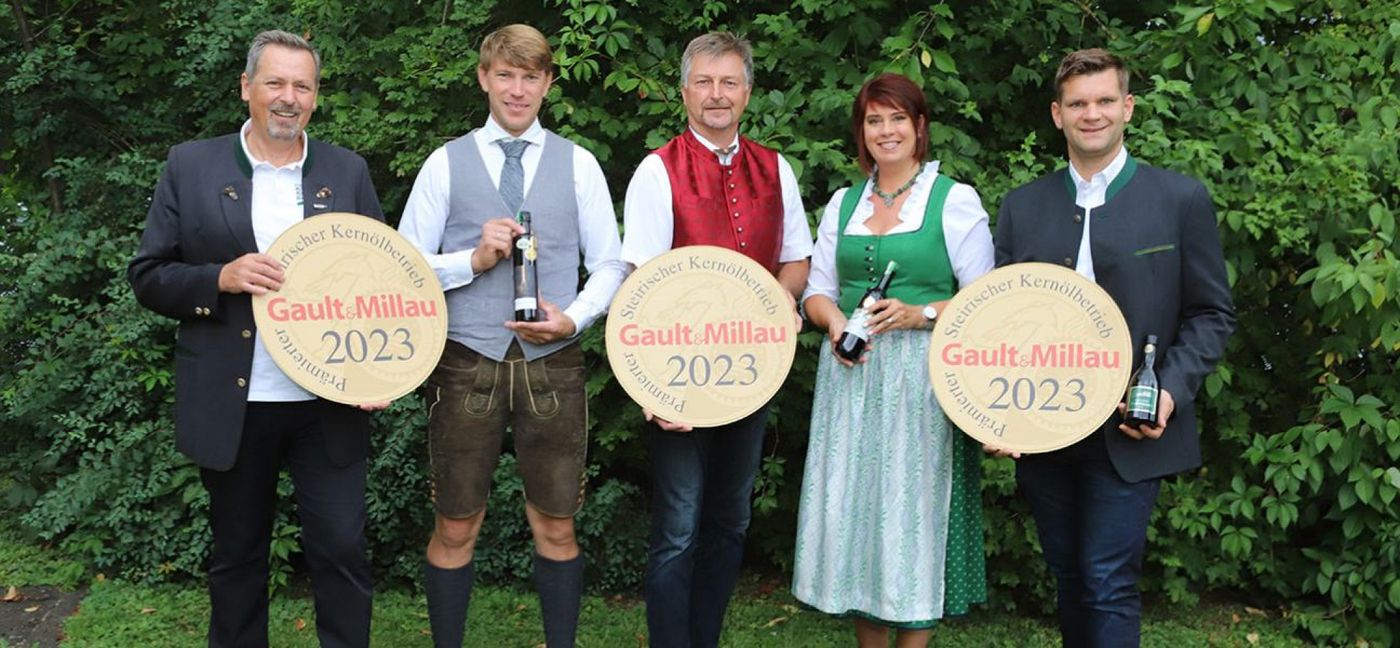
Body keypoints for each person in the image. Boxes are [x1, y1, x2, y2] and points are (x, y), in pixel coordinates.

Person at [128, 30, 385, 648]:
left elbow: (379, 278)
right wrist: (220, 276)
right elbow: (148, 275)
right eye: (275, 82)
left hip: (328, 401)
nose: (287, 97)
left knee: (343, 549)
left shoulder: (345, 171)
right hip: (234, 400)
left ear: (316, 97)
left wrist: (380, 370)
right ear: (246, 87)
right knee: (238, 557)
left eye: (302, 85)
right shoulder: (191, 165)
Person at [992, 48, 1235, 647]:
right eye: (1078, 104)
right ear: (1057, 114)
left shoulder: (1180, 199)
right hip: (1044, 426)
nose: (1091, 114)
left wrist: (1170, 393)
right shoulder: (1022, 205)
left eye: (1104, 101)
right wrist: (993, 409)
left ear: (1127, 107)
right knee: (1069, 575)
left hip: (1131, 428)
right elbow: (996, 321)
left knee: (1107, 580)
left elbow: (1211, 313)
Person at [396, 23, 627, 648]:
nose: (517, 90)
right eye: (505, 75)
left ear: (549, 84)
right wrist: (470, 261)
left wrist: (574, 319)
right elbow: (404, 266)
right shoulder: (445, 163)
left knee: (556, 525)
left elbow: (611, 263)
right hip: (465, 358)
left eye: (530, 77)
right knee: (455, 524)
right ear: (483, 78)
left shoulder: (578, 164)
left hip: (553, 361)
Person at [620, 31, 812, 648]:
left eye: (729, 82)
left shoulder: (776, 166)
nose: (716, 94)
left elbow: (796, 261)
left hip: (750, 378)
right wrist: (650, 386)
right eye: (703, 82)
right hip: (675, 382)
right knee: (677, 527)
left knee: (730, 521)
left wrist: (781, 299)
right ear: (684, 92)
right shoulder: (657, 170)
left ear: (748, 93)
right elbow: (640, 286)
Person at [790, 73, 994, 648]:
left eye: (897, 118)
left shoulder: (954, 200)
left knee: (911, 516)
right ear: (862, 131)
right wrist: (833, 325)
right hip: (851, 377)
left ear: (920, 127)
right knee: (860, 516)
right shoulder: (842, 202)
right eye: (874, 120)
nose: (886, 130)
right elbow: (818, 290)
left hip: (922, 380)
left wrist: (921, 315)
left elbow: (987, 300)